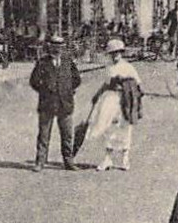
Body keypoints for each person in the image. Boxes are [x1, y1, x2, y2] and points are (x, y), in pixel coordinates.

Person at [86, 38, 143, 172]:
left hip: (125, 99)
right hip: (111, 98)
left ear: (121, 53)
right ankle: (107, 158)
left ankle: (125, 158)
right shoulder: (109, 68)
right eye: (113, 53)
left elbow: (138, 85)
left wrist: (135, 101)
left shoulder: (128, 67)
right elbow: (106, 84)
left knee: (124, 127)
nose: (115, 56)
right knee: (109, 128)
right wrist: (97, 95)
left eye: (118, 53)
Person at [30, 34, 82, 172]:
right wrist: (45, 90)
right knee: (44, 134)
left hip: (65, 103)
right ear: (50, 47)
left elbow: (77, 79)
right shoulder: (42, 62)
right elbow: (34, 81)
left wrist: (68, 90)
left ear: (63, 47)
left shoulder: (68, 62)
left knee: (67, 134)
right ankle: (40, 162)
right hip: (47, 104)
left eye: (60, 46)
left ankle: (68, 161)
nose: (57, 49)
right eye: (54, 46)